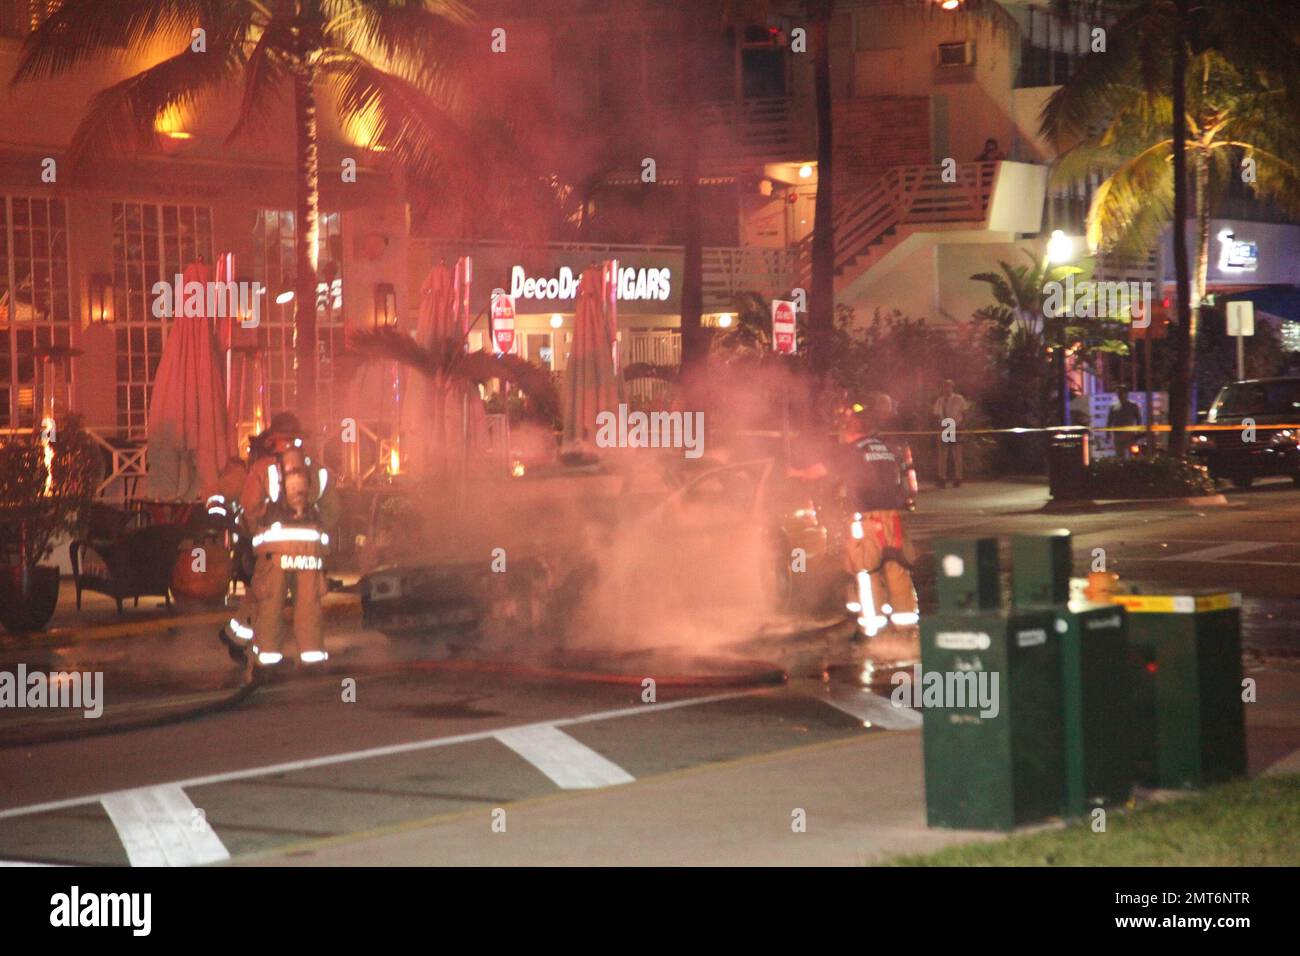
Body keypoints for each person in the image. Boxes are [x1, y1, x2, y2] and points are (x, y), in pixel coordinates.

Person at [789, 394, 918, 638]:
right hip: (895, 517)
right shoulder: (888, 449)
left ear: (849, 432)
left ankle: (873, 627)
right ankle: (906, 624)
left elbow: (819, 472)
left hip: (867, 518)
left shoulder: (851, 451)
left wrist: (795, 472)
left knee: (866, 569)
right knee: (897, 566)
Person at [219, 413, 338, 670]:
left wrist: (256, 536)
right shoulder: (317, 469)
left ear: (274, 439)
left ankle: (268, 662)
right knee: (308, 608)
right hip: (310, 551)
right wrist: (317, 535)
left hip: (274, 551)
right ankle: (312, 660)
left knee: (270, 606)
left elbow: (250, 506)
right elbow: (332, 510)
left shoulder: (263, 468)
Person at [932, 379, 970, 488]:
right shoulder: (940, 400)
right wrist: (939, 427)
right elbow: (936, 415)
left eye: (949, 386)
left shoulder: (959, 399)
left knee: (957, 454)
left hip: (956, 426)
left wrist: (963, 427)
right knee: (943, 455)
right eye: (945, 386)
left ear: (952, 387)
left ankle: (958, 478)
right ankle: (942, 478)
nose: (947, 388)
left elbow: (965, 413)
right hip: (945, 426)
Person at [1106, 386, 1144, 458]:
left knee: (1133, 453)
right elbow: (1109, 420)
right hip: (1118, 434)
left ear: (1126, 394)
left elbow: (1138, 419)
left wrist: (1139, 431)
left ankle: (1134, 466)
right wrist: (1107, 433)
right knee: (1119, 454)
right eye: (1118, 393)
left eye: (1121, 393)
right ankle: (1121, 467)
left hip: (1130, 434)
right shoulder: (1113, 407)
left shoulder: (1133, 405)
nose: (1119, 395)